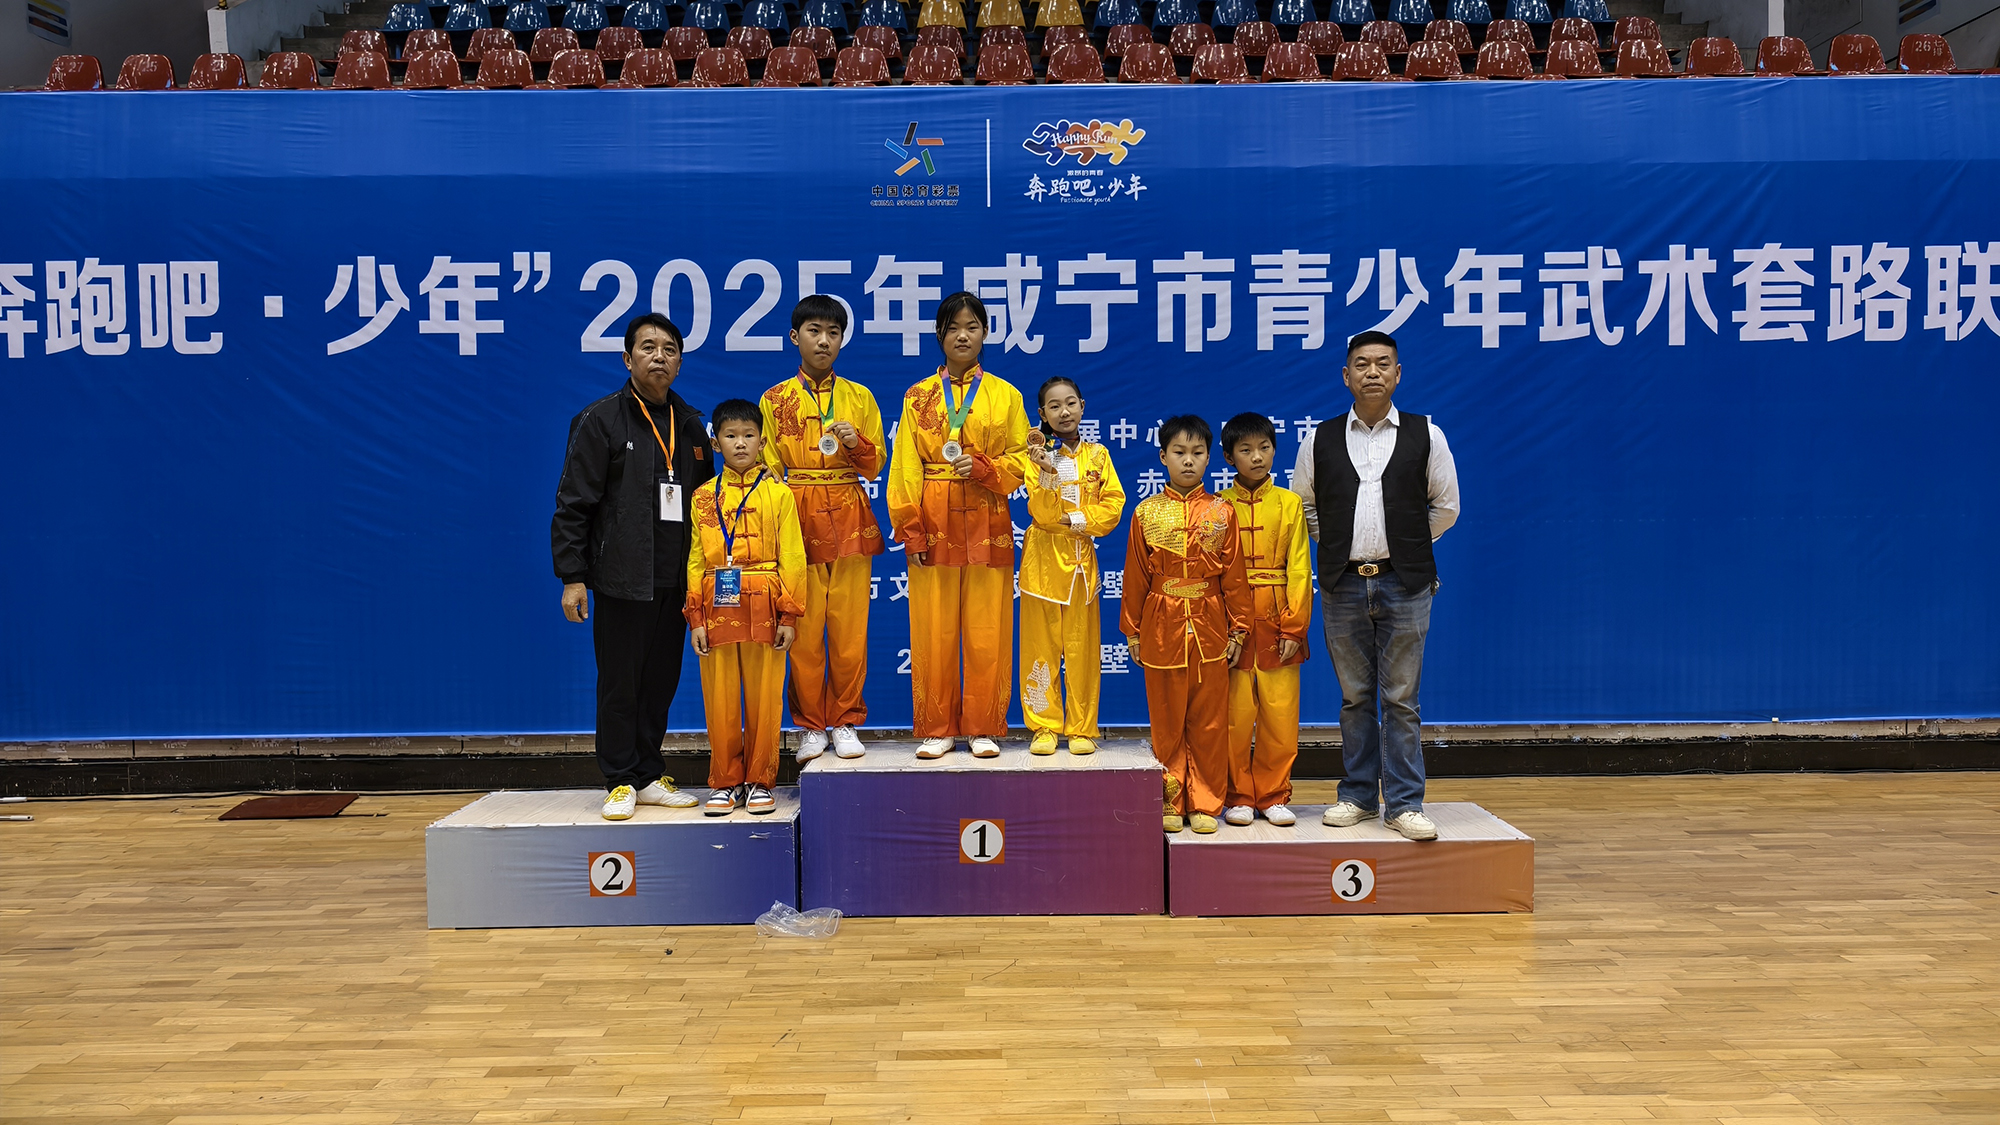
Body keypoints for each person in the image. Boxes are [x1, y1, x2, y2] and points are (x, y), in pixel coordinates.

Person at [1291, 330, 1460, 841]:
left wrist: (1403, 543)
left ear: (1398, 374)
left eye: (1383, 364)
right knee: (1355, 698)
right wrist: (1339, 544)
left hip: (1405, 584)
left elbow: (1446, 507)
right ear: (1346, 376)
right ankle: (1359, 796)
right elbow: (1304, 506)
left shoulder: (1427, 434)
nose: (1372, 372)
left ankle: (1405, 804)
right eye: (1362, 364)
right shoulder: (1318, 439)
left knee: (1402, 699)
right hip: (1342, 584)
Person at [552, 313, 714, 822]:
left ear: (680, 363)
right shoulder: (600, 419)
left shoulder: (691, 425)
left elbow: (709, 505)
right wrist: (573, 576)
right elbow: (574, 504)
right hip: (622, 578)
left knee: (660, 682)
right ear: (628, 359)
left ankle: (647, 774)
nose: (659, 356)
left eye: (670, 349)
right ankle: (619, 777)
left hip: (676, 579)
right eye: (648, 347)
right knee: (620, 683)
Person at [886, 292, 1031, 761]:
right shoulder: (918, 396)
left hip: (988, 516)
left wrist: (988, 468)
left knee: (988, 626)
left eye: (972, 326)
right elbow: (904, 466)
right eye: (953, 327)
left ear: (985, 333)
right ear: (939, 335)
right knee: (933, 626)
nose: (962, 335)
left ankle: (983, 726)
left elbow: (1023, 460)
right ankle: (937, 727)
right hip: (934, 517)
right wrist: (910, 526)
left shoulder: (1007, 395)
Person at [759, 295, 886, 764]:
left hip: (850, 515)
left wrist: (858, 444)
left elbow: (876, 465)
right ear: (795, 337)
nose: (824, 341)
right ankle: (811, 725)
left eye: (833, 333)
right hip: (798, 518)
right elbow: (767, 466)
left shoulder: (860, 397)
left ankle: (847, 720)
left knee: (850, 631)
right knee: (805, 632)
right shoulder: (774, 399)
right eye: (814, 331)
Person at [1121, 415, 1251, 834]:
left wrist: (1239, 628)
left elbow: (1235, 576)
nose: (1188, 460)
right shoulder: (1146, 512)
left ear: (1209, 458)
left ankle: (1206, 803)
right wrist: (1132, 630)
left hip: (1210, 625)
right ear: (1163, 457)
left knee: (1209, 721)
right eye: (1179, 452)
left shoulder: (1222, 512)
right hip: (1161, 623)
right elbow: (1136, 575)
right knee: (1166, 720)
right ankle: (1171, 799)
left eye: (1197, 453)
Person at [686, 399, 807, 817]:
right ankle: (725, 781)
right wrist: (695, 618)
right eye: (731, 435)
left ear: (763, 441)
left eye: (749, 435)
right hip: (716, 605)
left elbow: (794, 557)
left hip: (766, 603)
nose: (740, 443)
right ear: (715, 443)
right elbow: (695, 559)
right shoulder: (703, 497)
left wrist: (789, 614)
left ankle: (760, 779)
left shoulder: (779, 493)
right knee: (720, 698)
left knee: (764, 696)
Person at [1018, 377, 1127, 756]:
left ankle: (1082, 727)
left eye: (1070, 403)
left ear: (1082, 406)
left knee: (1082, 650)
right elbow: (1042, 513)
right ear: (1042, 413)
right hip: (1042, 566)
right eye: (1054, 406)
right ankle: (1044, 726)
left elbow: (1112, 507)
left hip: (1081, 565)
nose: (1063, 412)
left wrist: (1074, 520)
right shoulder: (1035, 455)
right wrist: (1047, 472)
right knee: (1040, 648)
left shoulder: (1098, 456)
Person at [1218, 413, 1312, 828]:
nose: (1257, 457)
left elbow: (1299, 568)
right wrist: (1223, 627)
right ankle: (1238, 794)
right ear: (1229, 457)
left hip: (1277, 620)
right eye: (1246, 449)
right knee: (1235, 716)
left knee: (1280, 713)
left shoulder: (1289, 503)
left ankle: (1274, 793)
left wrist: (1294, 626)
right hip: (1233, 626)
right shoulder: (1218, 505)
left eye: (1264, 447)